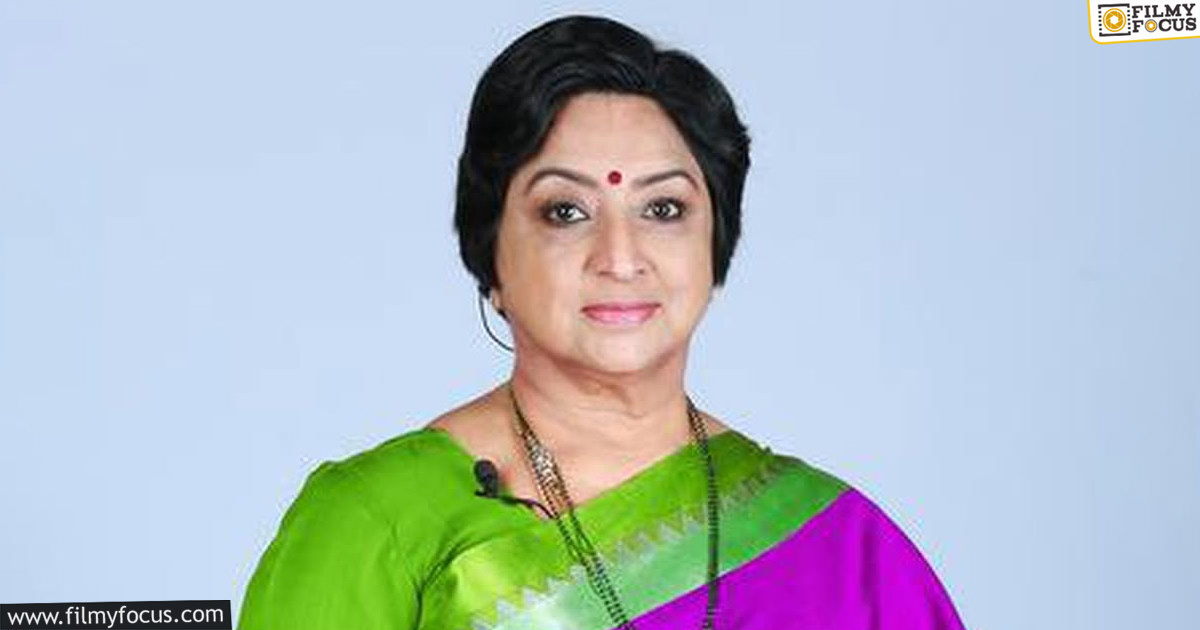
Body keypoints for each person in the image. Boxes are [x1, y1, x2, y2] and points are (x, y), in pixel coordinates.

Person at [237, 14, 968, 630]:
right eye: (565, 212)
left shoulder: (845, 553)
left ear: (715, 249)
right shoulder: (381, 523)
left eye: (663, 209)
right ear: (490, 254)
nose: (620, 257)